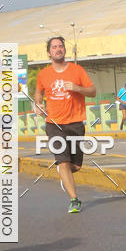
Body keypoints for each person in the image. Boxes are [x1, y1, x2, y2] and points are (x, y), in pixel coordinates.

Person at [34, 36, 96, 213]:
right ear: (49, 53)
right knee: (62, 161)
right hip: (54, 124)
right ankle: (74, 200)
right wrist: (38, 104)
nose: (58, 49)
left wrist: (78, 88)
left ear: (64, 50)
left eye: (60, 46)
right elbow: (38, 93)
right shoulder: (43, 74)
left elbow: (92, 91)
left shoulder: (77, 70)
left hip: (75, 123)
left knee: (74, 166)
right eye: (54, 47)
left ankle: (65, 175)